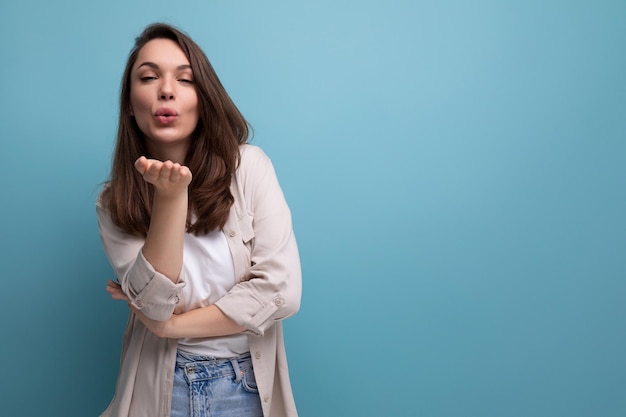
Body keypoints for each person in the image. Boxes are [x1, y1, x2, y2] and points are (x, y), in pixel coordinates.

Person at [96, 22, 302, 417]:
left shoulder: (249, 167)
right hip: (158, 388)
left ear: (203, 97)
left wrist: (172, 325)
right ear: (129, 102)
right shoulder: (113, 202)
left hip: (244, 387)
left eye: (184, 79)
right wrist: (171, 197)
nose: (166, 89)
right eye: (149, 76)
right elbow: (156, 306)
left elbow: (282, 291)